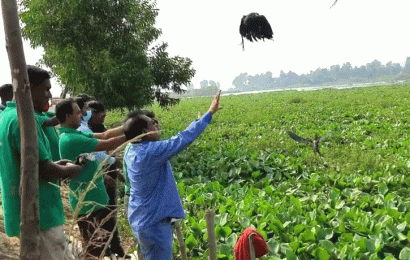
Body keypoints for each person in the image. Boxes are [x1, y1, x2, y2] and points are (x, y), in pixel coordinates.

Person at [123, 91, 221, 260]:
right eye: (153, 123)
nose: (157, 125)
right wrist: (209, 113)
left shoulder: (131, 150)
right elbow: (182, 139)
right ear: (145, 132)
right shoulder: (150, 152)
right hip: (154, 224)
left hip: (140, 220)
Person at [0, 66, 82, 260]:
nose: (49, 95)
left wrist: (57, 164)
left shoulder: (7, 117)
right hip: (39, 213)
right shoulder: (24, 120)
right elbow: (42, 170)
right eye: (45, 89)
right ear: (28, 88)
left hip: (25, 211)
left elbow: (31, 163)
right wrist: (72, 170)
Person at [56, 98, 131, 259]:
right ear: (68, 116)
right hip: (88, 203)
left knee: (99, 245)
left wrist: (129, 126)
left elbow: (105, 134)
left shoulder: (75, 133)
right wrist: (134, 133)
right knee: (94, 249)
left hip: (94, 199)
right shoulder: (72, 139)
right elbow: (108, 142)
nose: (81, 116)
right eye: (78, 113)